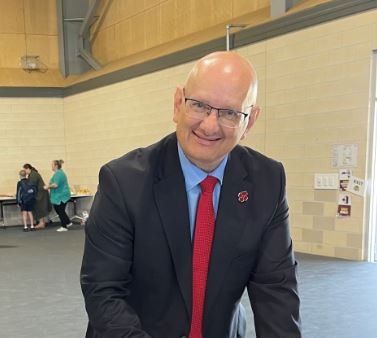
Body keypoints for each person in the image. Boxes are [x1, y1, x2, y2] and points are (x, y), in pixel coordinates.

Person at [80, 51, 301, 337]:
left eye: (230, 113)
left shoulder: (267, 182)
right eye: (199, 105)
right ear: (177, 104)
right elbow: (104, 292)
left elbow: (276, 291)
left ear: (250, 120)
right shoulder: (122, 182)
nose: (210, 125)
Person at [45, 159, 72, 232]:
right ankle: (68, 222)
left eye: (52, 165)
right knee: (59, 210)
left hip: (61, 196)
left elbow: (56, 185)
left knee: (60, 211)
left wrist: (48, 187)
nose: (51, 166)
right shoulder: (58, 173)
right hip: (59, 196)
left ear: (56, 166)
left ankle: (64, 226)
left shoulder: (59, 174)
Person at [22, 163, 52, 229]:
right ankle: (41, 222)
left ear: (28, 169)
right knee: (39, 208)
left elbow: (31, 185)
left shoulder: (33, 175)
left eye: (25, 170)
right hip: (39, 193)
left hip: (40, 194)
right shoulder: (32, 174)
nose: (24, 171)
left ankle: (41, 223)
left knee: (39, 208)